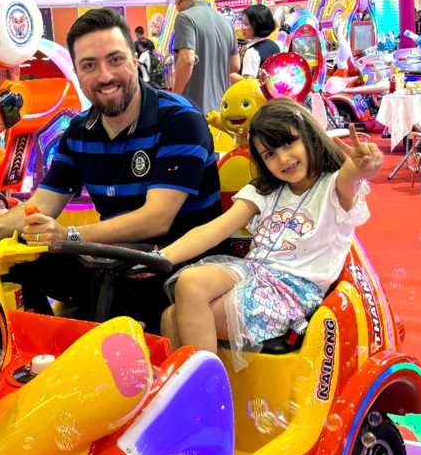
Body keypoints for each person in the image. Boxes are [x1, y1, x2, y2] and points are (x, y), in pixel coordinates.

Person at [0, 7, 221, 330]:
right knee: (14, 267)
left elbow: (157, 218)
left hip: (181, 264)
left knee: (100, 285)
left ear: (134, 60)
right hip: (114, 263)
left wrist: (68, 235)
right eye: (89, 65)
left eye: (115, 60)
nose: (105, 76)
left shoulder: (179, 119)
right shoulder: (80, 131)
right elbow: (40, 207)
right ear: (77, 72)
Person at [158, 99, 380, 356]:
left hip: (293, 291)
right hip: (253, 272)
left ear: (308, 135)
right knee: (184, 291)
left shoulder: (332, 188)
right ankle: (199, 390)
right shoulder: (264, 191)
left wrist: (361, 166)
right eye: (269, 154)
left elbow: (349, 177)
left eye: (288, 143)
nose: (283, 159)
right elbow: (214, 230)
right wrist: (161, 257)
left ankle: (208, 392)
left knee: (176, 314)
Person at [172, 0, 239, 112]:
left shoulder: (185, 17)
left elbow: (187, 59)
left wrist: (175, 97)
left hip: (195, 109)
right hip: (222, 110)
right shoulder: (226, 22)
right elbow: (235, 66)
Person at [238, 5, 280, 78]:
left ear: (258, 25)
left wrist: (232, 74)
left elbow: (249, 85)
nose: (242, 27)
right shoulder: (274, 45)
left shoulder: (252, 52)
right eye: (242, 23)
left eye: (246, 24)